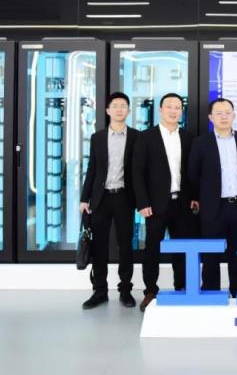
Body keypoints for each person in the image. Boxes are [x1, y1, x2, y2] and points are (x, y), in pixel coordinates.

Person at [132, 92, 197, 312]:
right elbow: (137, 173)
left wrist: (195, 197)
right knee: (152, 249)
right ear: (160, 110)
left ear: (181, 111)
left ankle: (182, 288)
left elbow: (192, 172)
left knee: (182, 248)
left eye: (177, 107)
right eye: (169, 106)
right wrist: (142, 203)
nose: (173, 111)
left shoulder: (188, 137)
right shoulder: (146, 137)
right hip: (155, 204)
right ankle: (150, 291)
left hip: (183, 203)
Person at [188, 98, 237, 297]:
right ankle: (211, 290)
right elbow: (193, 174)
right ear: (210, 117)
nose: (224, 116)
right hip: (212, 206)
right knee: (211, 252)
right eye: (219, 113)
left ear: (234, 115)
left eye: (227, 112)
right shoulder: (201, 143)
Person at [79, 92, 138, 310]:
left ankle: (125, 290)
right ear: (108, 110)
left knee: (126, 246)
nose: (120, 109)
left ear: (128, 110)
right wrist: (84, 198)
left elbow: (140, 171)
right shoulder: (97, 138)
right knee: (99, 246)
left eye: (123, 106)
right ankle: (100, 291)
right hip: (100, 198)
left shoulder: (137, 137)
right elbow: (92, 169)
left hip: (124, 197)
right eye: (116, 105)